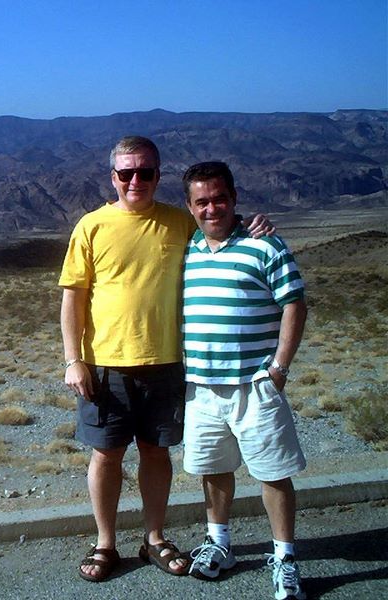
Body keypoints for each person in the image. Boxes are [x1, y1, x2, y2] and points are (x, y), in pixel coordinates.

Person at [59, 137, 272, 583]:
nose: (135, 180)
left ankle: (154, 537)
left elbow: (219, 230)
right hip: (106, 364)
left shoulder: (179, 222)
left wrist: (256, 227)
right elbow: (73, 298)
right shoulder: (91, 226)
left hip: (168, 362)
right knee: (107, 455)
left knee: (156, 453)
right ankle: (105, 543)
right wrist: (72, 359)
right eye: (126, 173)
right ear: (113, 177)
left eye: (145, 172)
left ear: (158, 175)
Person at [181, 161, 307, 600]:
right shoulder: (186, 248)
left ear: (234, 198)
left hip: (255, 385)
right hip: (201, 386)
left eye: (219, 198)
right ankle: (219, 544)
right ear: (190, 206)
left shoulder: (265, 244)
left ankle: (285, 558)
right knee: (214, 469)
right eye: (202, 201)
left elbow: (294, 304)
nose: (211, 208)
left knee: (273, 473)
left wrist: (279, 368)